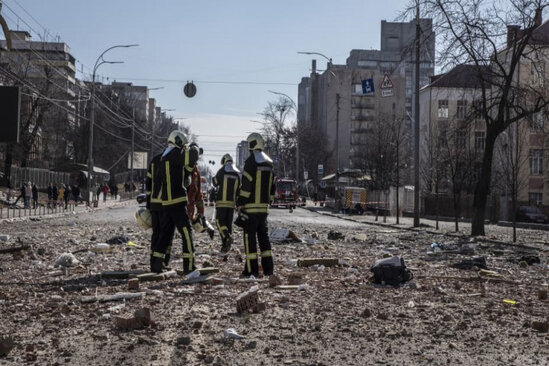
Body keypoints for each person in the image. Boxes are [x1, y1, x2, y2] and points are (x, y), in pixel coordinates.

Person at [151, 130, 200, 274]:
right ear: (178, 142)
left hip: (165, 203)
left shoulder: (163, 158)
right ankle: (189, 266)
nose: (184, 148)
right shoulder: (176, 154)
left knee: (165, 234)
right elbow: (192, 155)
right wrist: (194, 146)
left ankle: (156, 265)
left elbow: (184, 173)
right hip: (178, 202)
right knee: (186, 232)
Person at [236, 133, 276, 278]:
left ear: (252, 144)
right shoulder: (269, 162)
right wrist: (269, 201)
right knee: (264, 240)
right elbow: (273, 186)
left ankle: (251, 270)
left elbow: (246, 186)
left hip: (251, 209)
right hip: (264, 209)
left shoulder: (251, 162)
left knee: (250, 239)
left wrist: (240, 202)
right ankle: (268, 269)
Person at [213, 153, 240, 254]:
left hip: (221, 203)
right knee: (228, 226)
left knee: (219, 222)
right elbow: (238, 191)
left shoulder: (222, 170)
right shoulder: (236, 174)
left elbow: (215, 182)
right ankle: (225, 247)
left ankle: (227, 238)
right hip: (231, 204)